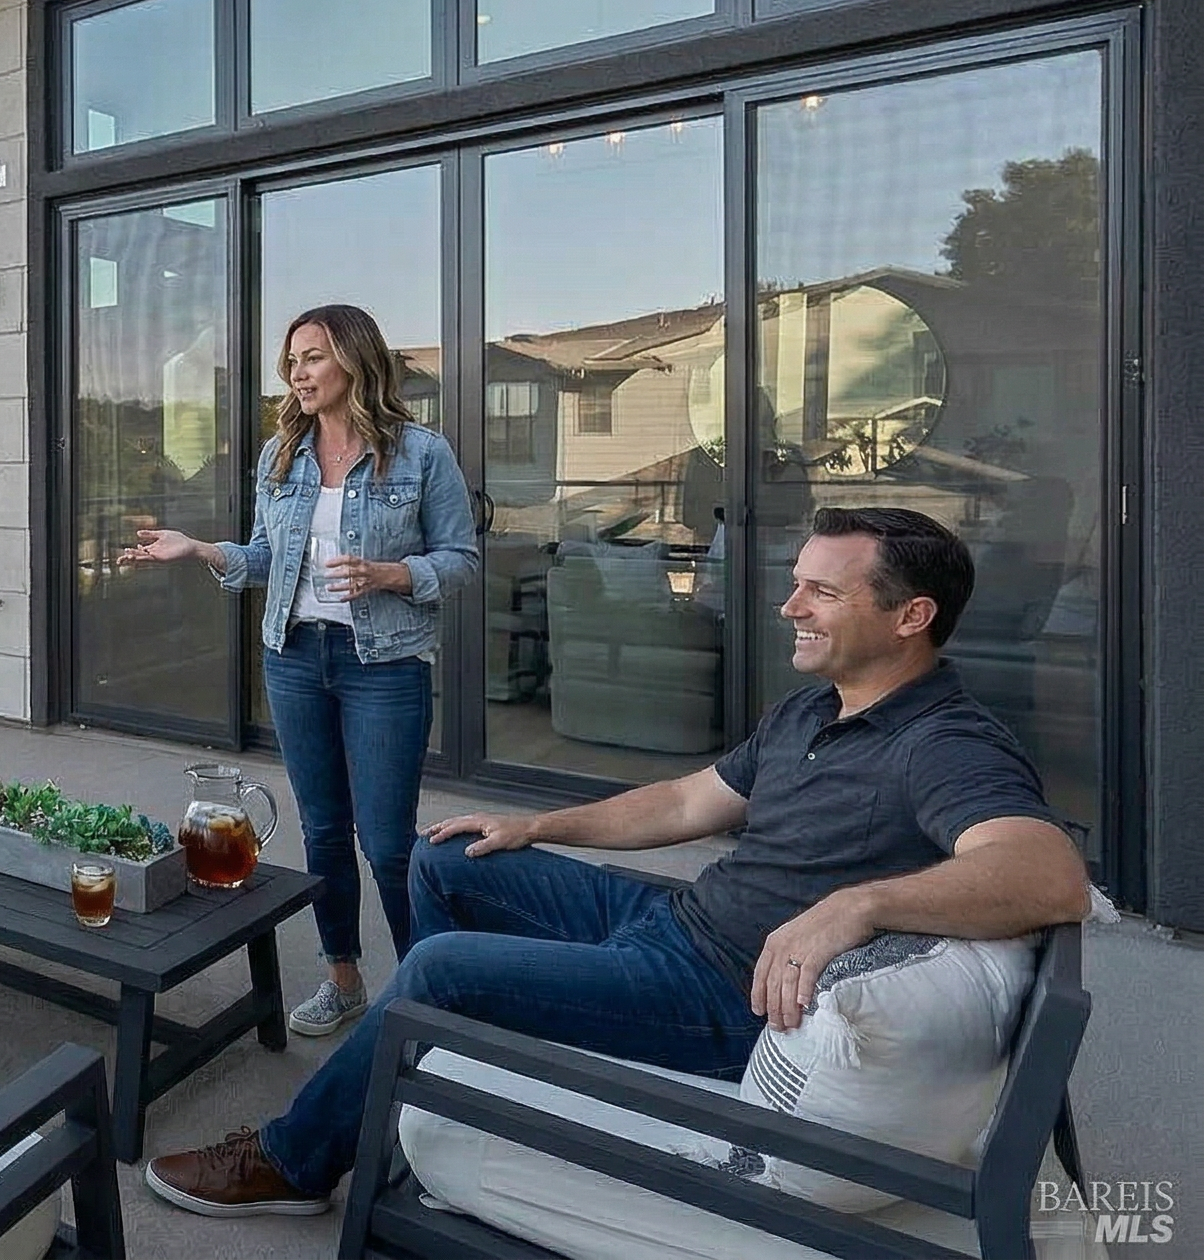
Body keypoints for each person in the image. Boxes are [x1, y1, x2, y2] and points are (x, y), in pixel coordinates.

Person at [142, 506, 1092, 1220]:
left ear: (910, 616)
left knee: (441, 967)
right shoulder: (820, 704)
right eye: (796, 582)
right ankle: (432, 1070)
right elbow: (685, 802)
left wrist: (862, 906)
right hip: (676, 923)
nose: (787, 605)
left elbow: (1048, 874)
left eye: (821, 592)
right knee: (452, 861)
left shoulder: (945, 742)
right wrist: (541, 828)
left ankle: (296, 1162)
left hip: (723, 995)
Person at [120, 302, 478, 1036]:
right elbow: (266, 558)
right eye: (292, 361)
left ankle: (423, 999)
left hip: (384, 665)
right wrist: (200, 550)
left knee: (386, 842)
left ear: (354, 359)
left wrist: (390, 574)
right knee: (321, 832)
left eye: (312, 356)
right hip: (294, 656)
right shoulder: (281, 454)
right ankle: (343, 979)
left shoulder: (421, 453)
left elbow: (463, 561)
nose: (297, 372)